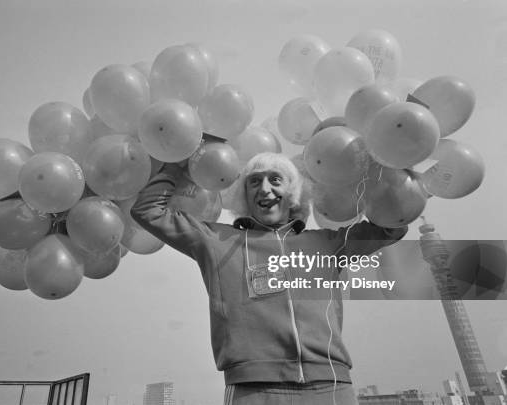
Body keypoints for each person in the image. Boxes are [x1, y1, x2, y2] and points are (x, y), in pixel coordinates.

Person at [131, 152, 407, 405]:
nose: (265, 189)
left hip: (332, 387)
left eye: (275, 180)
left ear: (292, 193)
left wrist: (383, 163)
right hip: (254, 390)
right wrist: (180, 161)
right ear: (244, 197)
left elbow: (390, 228)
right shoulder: (216, 241)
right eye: (254, 182)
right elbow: (148, 211)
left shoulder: (327, 244)